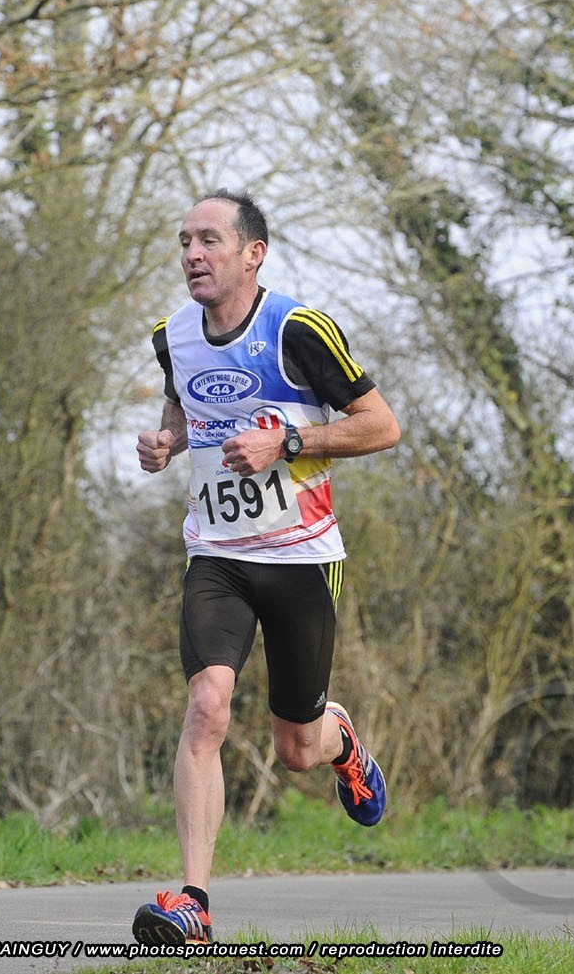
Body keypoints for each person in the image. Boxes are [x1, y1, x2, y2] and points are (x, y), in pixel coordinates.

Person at [131, 189, 400, 946]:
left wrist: (288, 442)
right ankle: (193, 904)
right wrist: (168, 441)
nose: (192, 254)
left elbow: (382, 426)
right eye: (184, 241)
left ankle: (339, 738)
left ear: (253, 253)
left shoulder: (298, 329)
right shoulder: (172, 335)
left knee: (296, 750)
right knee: (206, 706)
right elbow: (185, 408)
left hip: (301, 558)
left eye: (209, 240)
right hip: (216, 553)